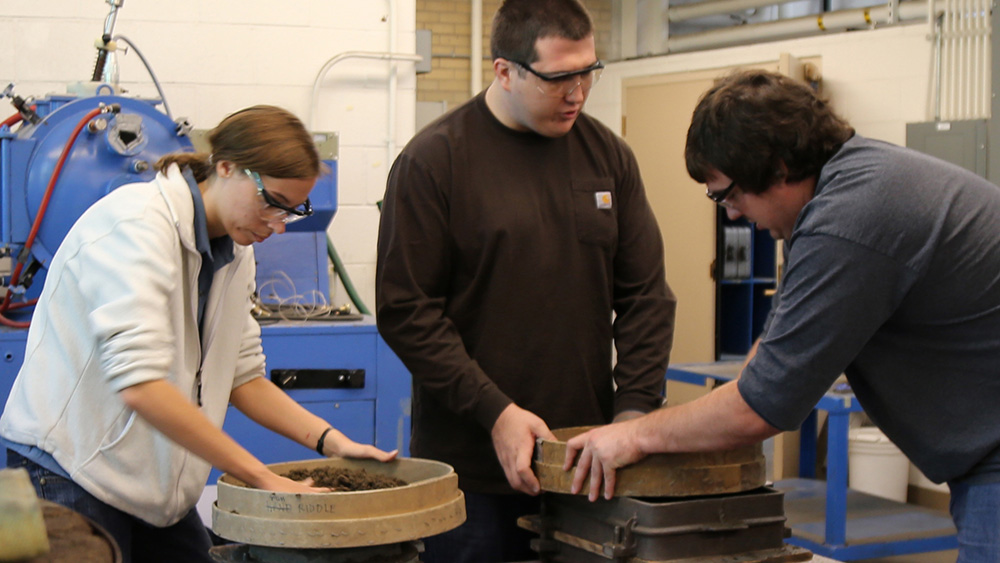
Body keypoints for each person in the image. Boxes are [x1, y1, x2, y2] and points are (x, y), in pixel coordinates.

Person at [563, 69, 1000, 562]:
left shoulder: (849, 220)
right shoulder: (840, 192)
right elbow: (772, 353)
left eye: (727, 195)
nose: (729, 214)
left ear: (777, 166)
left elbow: (762, 406)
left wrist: (635, 433)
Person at [0, 105, 397, 563]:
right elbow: (143, 388)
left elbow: (242, 377)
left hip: (152, 485)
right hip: (68, 473)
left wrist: (331, 441)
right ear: (225, 166)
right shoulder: (135, 228)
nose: (277, 224)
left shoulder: (235, 249)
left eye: (292, 211)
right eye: (272, 201)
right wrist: (263, 477)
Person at [375, 1, 676, 561]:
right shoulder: (433, 163)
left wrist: (633, 413)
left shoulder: (608, 156)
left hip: (590, 467)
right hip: (473, 477)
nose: (577, 93)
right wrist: (496, 411)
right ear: (504, 71)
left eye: (587, 71)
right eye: (558, 77)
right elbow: (407, 311)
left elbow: (647, 298)